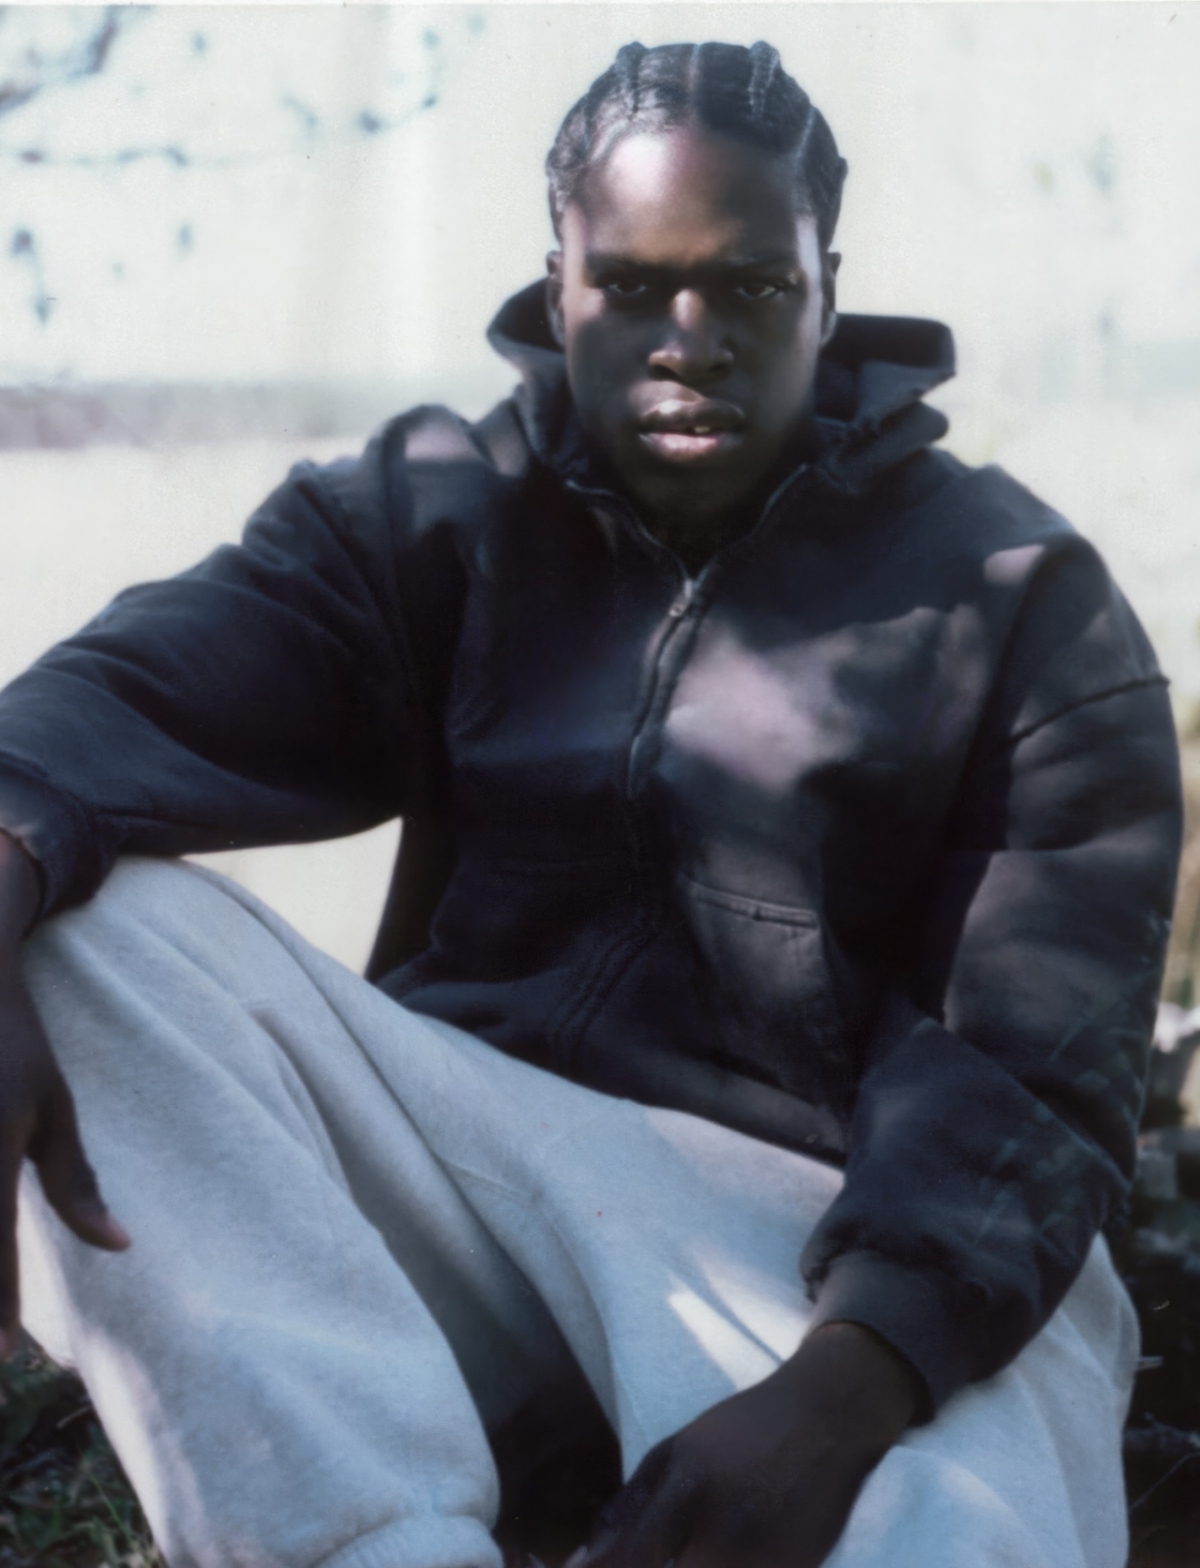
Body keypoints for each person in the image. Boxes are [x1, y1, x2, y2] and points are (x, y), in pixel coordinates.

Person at [0, 38, 1182, 1568]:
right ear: (557, 289)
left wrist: (842, 1392)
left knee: (960, 1532)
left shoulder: (1019, 599)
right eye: (629, 286)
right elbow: (109, 711)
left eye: (751, 286)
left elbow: (1030, 1077)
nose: (689, 341)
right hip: (474, 1163)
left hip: (834, 1246)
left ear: (828, 292)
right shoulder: (433, 508)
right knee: (86, 923)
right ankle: (377, 1542)